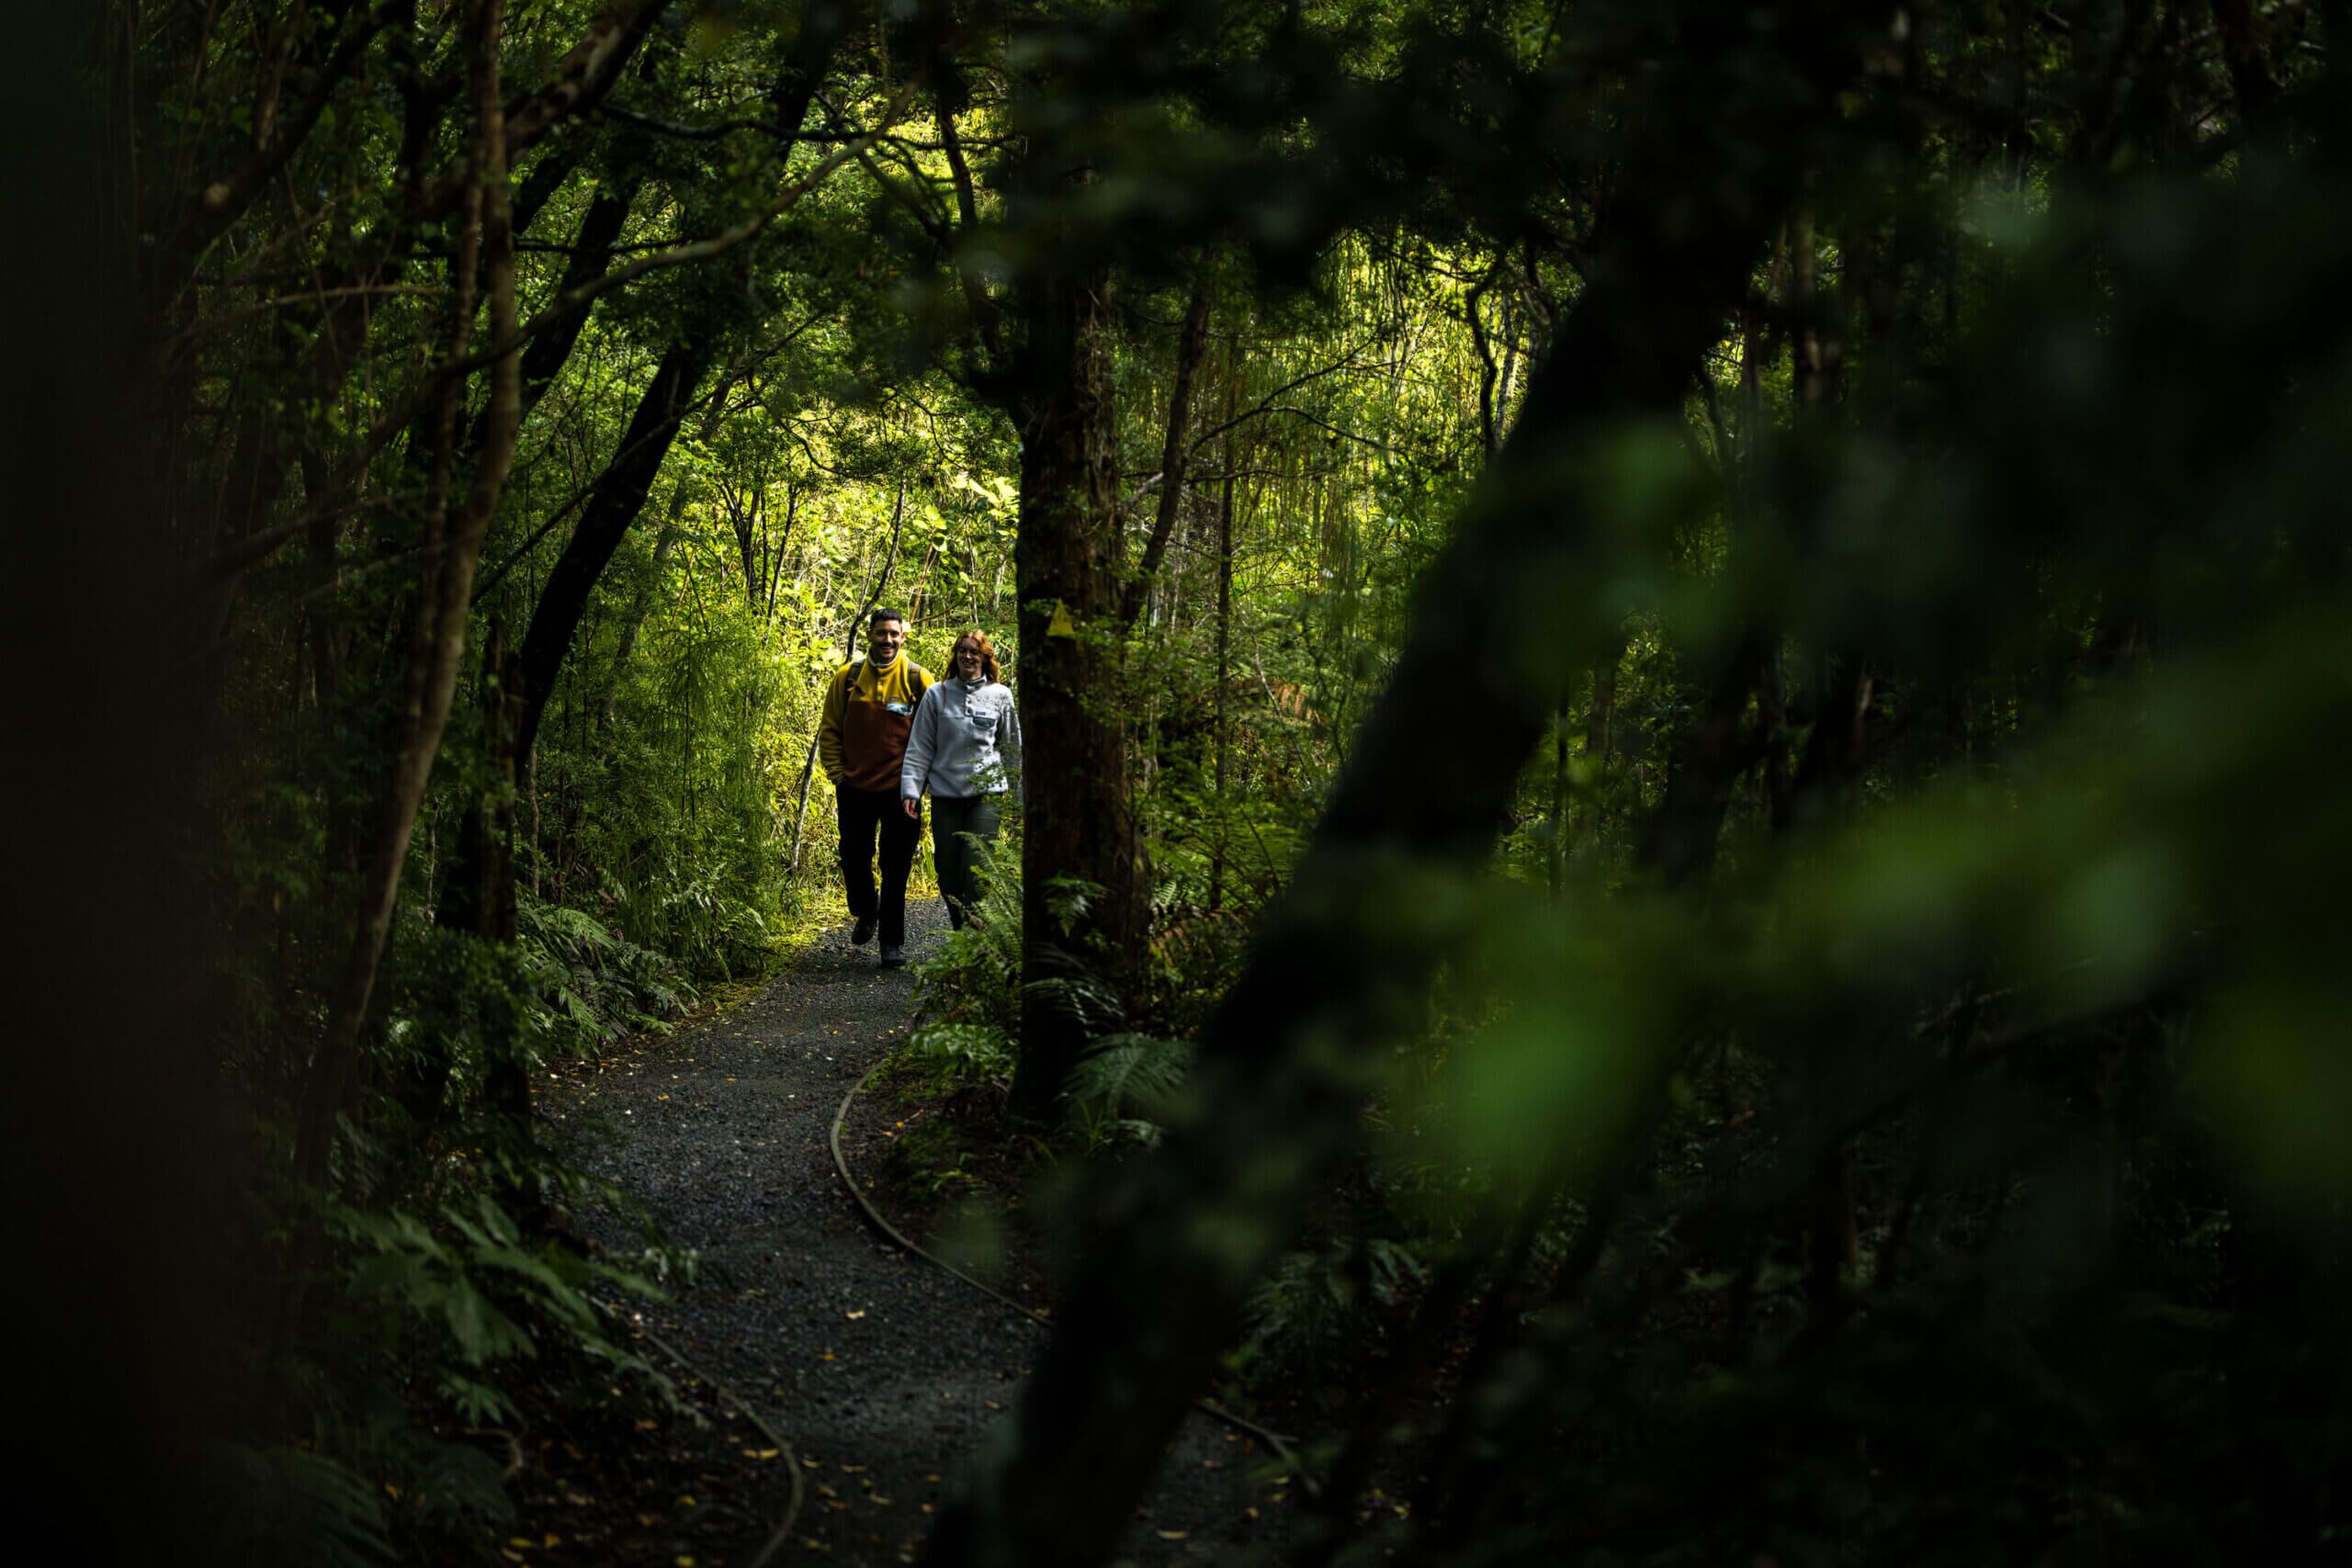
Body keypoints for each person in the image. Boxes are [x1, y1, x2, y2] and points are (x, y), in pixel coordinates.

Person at [818, 608, 933, 967]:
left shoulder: (918, 679)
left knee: (896, 867)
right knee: (853, 858)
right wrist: (838, 774)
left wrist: (921, 782)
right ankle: (867, 909)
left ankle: (891, 943)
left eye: (894, 634)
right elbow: (830, 728)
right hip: (854, 787)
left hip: (902, 791)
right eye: (881, 633)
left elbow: (934, 735)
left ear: (903, 637)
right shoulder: (848, 677)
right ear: (870, 635)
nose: (888, 640)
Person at [900, 630, 1021, 931]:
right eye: (962, 650)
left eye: (974, 652)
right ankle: (961, 929)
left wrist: (1019, 799)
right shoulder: (937, 694)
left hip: (986, 797)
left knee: (977, 871)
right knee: (948, 875)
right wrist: (911, 790)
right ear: (956, 656)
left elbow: (1012, 749)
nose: (967, 656)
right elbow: (920, 747)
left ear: (985, 658)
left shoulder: (1000, 695)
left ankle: (972, 939)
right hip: (946, 797)